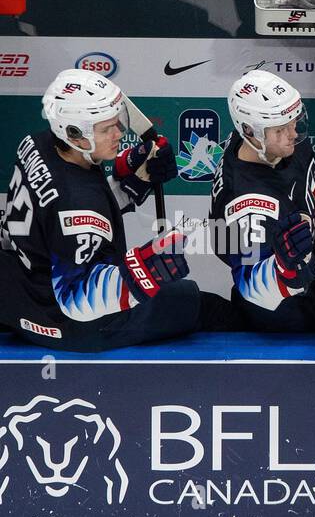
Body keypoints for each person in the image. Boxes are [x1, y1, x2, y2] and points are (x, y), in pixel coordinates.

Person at [0, 70, 235, 351]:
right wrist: (142, 272)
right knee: (200, 303)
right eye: (106, 129)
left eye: (116, 122)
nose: (119, 133)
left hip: (16, 297)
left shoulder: (37, 144)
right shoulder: (78, 203)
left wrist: (134, 181)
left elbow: (60, 212)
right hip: (68, 325)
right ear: (74, 133)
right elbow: (76, 300)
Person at [210, 71, 315, 332]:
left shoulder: (262, 145)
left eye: (294, 122)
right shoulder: (248, 208)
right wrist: (282, 269)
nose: (293, 133)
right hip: (303, 309)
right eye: (281, 129)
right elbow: (253, 286)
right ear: (249, 131)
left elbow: (297, 189)